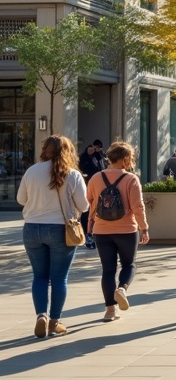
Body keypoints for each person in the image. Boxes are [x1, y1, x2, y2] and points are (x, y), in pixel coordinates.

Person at [18, 135, 89, 337]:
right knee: (59, 278)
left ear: (45, 149)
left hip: (31, 228)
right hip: (60, 230)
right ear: (68, 151)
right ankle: (55, 321)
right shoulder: (73, 174)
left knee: (39, 276)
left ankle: (41, 314)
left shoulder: (32, 171)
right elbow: (84, 205)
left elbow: (21, 199)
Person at [87, 141, 149, 323]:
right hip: (126, 230)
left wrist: (91, 221)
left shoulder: (96, 178)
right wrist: (144, 227)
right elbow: (138, 207)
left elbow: (90, 201)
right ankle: (122, 289)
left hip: (102, 230)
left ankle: (109, 310)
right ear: (125, 159)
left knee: (108, 270)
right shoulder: (131, 179)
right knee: (129, 264)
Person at [78, 144, 103, 249]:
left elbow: (102, 168)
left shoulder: (98, 158)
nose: (91, 151)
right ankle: (87, 233)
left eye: (93, 149)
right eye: (89, 149)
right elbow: (81, 168)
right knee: (87, 212)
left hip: (98, 185)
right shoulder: (83, 158)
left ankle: (93, 234)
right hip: (86, 184)